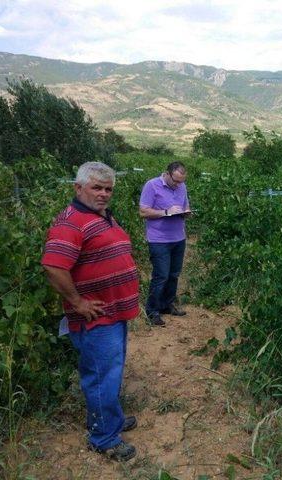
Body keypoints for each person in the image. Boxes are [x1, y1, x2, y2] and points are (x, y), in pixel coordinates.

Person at [41, 161, 139, 462]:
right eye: (97, 187)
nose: (104, 194)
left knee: (110, 371)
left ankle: (109, 419)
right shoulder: (70, 222)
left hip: (113, 313)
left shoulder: (100, 215)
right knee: (101, 376)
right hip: (95, 317)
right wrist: (79, 303)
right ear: (78, 187)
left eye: (108, 189)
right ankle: (104, 438)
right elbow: (53, 266)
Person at [139, 161, 190, 326]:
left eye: (181, 181)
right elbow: (143, 211)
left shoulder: (182, 186)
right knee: (161, 276)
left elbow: (185, 205)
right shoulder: (152, 185)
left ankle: (167, 305)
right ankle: (152, 311)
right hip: (159, 239)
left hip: (178, 237)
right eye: (175, 180)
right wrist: (165, 212)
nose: (178, 184)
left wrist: (186, 213)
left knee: (174, 275)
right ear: (167, 174)